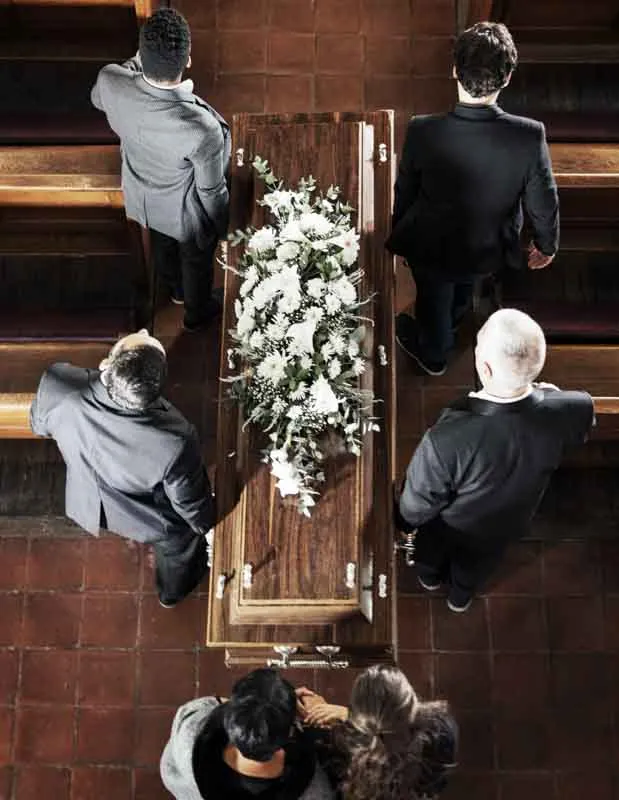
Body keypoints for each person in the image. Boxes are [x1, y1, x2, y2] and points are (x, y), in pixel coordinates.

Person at [387, 21, 559, 376]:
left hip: (432, 246)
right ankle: (456, 315)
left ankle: (434, 355)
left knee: (433, 298)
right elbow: (543, 200)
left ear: (454, 70)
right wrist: (547, 243)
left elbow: (405, 190)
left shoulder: (423, 130)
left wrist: (402, 233)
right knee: (466, 284)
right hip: (488, 247)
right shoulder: (529, 136)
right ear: (507, 77)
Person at [396, 309, 594, 612]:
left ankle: (430, 579)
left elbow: (418, 503)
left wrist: (405, 520)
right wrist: (546, 394)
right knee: (478, 563)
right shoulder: (576, 407)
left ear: (485, 369)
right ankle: (460, 598)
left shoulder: (448, 439)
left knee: (431, 552)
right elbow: (576, 429)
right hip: (510, 521)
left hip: (453, 523)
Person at [30, 329, 215, 607]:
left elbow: (39, 424)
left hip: (88, 499)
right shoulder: (173, 441)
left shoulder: (58, 384)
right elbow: (189, 502)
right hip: (142, 515)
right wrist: (204, 524)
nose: (143, 330)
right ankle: (171, 592)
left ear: (107, 364)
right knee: (180, 540)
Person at [91, 7, 231, 331]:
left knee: (161, 246)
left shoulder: (111, 80)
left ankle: (176, 289)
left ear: (141, 52)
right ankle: (197, 311)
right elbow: (211, 190)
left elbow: (99, 99)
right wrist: (224, 227)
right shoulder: (200, 128)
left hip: (141, 196)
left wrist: (135, 65)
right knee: (196, 259)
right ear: (188, 60)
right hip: (183, 211)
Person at [160, 667, 335, 799]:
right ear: (290, 732)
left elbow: (209, 705)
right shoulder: (315, 790)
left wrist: (270, 707)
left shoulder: (191, 729)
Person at [297, 665, 457, 800]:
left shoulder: (348, 753)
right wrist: (350, 717)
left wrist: (347, 719)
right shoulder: (441, 731)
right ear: (410, 700)